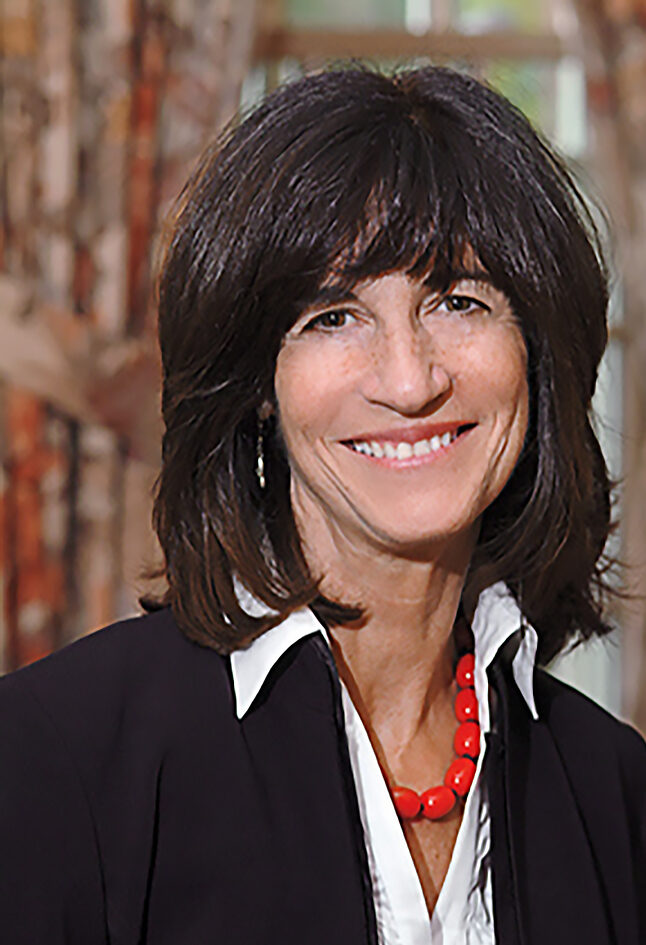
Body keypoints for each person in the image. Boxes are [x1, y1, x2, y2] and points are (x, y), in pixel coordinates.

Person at [0, 65, 644, 945]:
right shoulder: (48, 758)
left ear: (535, 350)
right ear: (258, 382)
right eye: (333, 317)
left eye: (459, 300)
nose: (411, 380)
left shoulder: (619, 793)